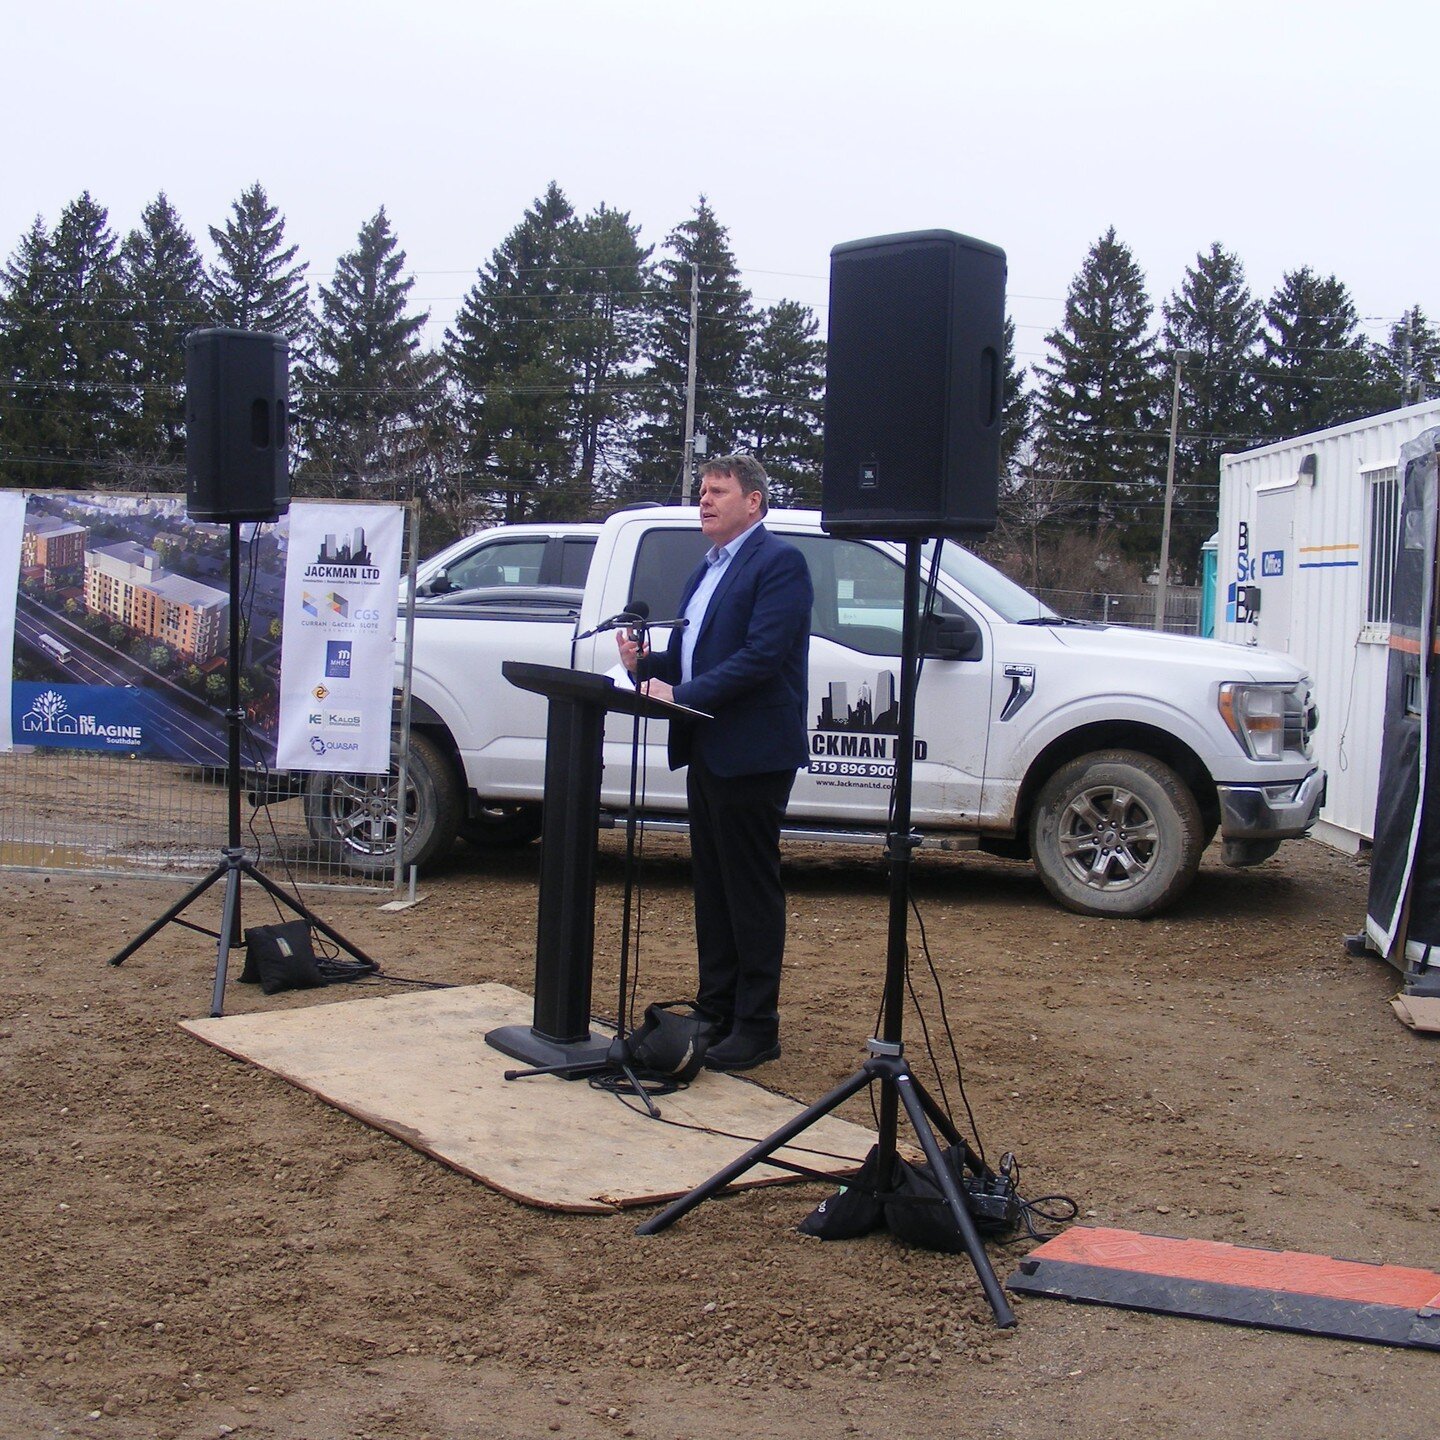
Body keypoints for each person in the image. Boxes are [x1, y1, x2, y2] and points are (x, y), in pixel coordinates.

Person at [617, 455, 812, 1071]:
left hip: (752, 751)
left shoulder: (779, 563)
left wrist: (685, 695)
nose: (704, 501)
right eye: (702, 491)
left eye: (718, 491)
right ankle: (715, 1009)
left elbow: (761, 656)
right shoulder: (705, 568)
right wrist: (644, 668)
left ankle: (757, 1026)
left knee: (749, 890)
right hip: (706, 746)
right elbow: (692, 657)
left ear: (753, 502)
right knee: (714, 889)